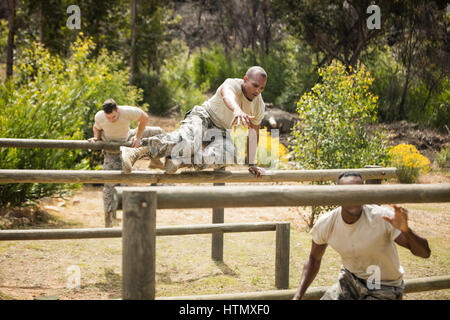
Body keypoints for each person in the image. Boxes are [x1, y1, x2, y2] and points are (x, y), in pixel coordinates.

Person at [293, 171, 431, 300]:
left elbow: (425, 253)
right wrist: (298, 296)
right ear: (337, 195)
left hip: (384, 285)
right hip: (350, 279)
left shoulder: (382, 218)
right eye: (348, 193)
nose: (355, 198)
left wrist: (406, 230)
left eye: (359, 192)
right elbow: (313, 259)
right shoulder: (327, 223)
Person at [120, 66, 268, 177]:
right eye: (255, 85)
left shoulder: (259, 105)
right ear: (245, 79)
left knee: (231, 153)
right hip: (203, 116)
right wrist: (236, 110)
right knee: (189, 142)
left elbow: (253, 133)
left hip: (221, 130)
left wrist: (252, 163)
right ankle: (137, 151)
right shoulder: (232, 83)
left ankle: (180, 161)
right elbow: (228, 95)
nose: (257, 91)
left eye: (261, 88)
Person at [88, 99, 164, 227]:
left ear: (117, 109)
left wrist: (138, 137)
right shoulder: (100, 116)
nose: (111, 120)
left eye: (113, 116)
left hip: (127, 139)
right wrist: (96, 137)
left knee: (158, 131)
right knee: (109, 186)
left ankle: (155, 160)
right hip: (112, 150)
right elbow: (96, 127)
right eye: (108, 118)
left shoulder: (126, 111)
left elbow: (144, 117)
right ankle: (109, 220)